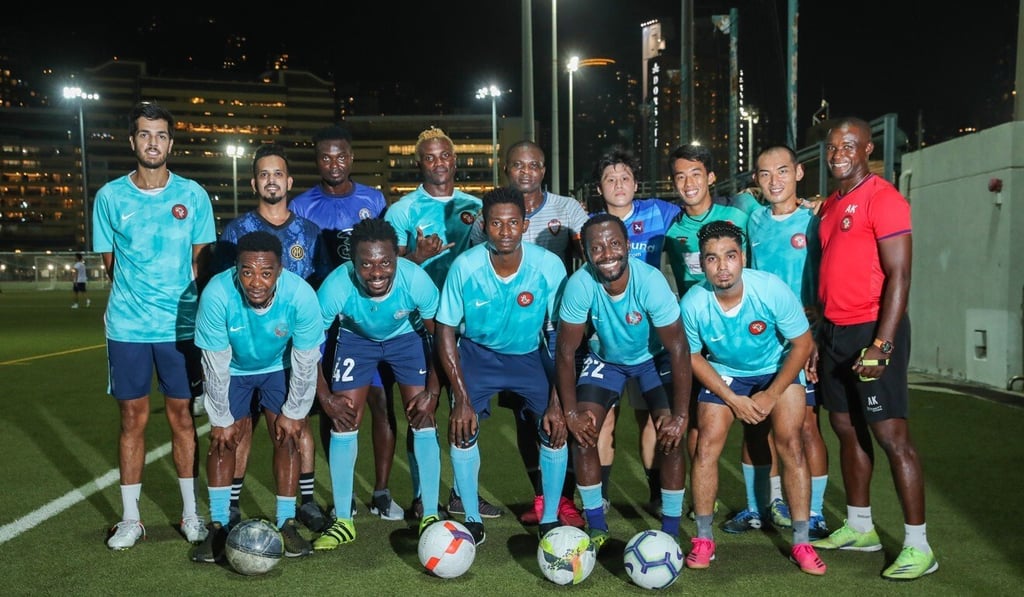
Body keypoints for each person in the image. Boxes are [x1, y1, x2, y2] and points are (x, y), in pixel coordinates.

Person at [809, 117, 937, 581]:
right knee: (845, 429)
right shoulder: (829, 208)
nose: (838, 152)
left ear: (867, 149)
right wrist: (821, 337)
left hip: (872, 330)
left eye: (848, 145)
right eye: (831, 146)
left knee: (891, 438)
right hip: (836, 332)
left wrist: (882, 343)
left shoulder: (885, 199)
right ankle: (860, 526)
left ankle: (919, 546)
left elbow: (900, 275)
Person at [93, 101, 215, 550]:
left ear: (170, 142)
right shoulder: (109, 197)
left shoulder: (193, 195)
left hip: (181, 329)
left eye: (161, 135)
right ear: (133, 141)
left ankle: (190, 514)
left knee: (182, 417)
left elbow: (202, 264)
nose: (153, 142)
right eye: (145, 134)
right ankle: (131, 519)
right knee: (132, 419)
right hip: (127, 328)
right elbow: (111, 264)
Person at [680, 220, 825, 575]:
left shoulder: (770, 289)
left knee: (791, 443)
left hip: (775, 369)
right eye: (712, 259)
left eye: (730, 256)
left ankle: (802, 542)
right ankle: (703, 539)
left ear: (742, 257)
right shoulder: (694, 302)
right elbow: (693, 356)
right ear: (702, 263)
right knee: (705, 446)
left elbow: (803, 344)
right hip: (727, 372)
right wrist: (733, 398)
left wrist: (771, 395)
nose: (722, 266)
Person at [436, 187, 569, 545]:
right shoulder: (465, 267)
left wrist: (558, 401)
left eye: (513, 222)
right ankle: (473, 520)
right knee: (463, 428)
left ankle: (551, 519)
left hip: (528, 355)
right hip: (477, 355)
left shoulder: (548, 266)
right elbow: (446, 331)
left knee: (555, 428)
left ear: (525, 225)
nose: (506, 231)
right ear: (484, 225)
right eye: (497, 223)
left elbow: (560, 338)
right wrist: (461, 398)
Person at [385, 126, 502, 519]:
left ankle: (460, 493)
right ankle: (422, 496)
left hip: (465, 326)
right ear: (420, 162)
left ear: (455, 160)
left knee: (463, 407)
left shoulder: (474, 206)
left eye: (445, 156)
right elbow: (388, 273)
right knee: (422, 410)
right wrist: (416, 257)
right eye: (430, 157)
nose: (439, 163)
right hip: (417, 325)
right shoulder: (402, 210)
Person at [555, 213, 691, 551]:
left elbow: (678, 348)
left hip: (652, 360)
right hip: (607, 361)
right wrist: (570, 413)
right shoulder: (580, 284)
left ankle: (671, 530)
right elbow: (565, 352)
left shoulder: (651, 282)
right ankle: (596, 525)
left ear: (628, 245)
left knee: (670, 434)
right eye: (597, 247)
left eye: (615, 244)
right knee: (584, 431)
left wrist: (681, 416)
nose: (608, 253)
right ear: (585, 252)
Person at [470, 140, 587, 528]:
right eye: (518, 165)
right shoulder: (488, 217)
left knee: (562, 412)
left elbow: (589, 255)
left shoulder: (567, 209)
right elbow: (477, 270)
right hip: (514, 334)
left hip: (558, 329)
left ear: (544, 170)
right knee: (525, 417)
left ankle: (568, 500)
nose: (526, 172)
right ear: (507, 169)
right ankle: (541, 496)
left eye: (534, 165)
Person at [289, 125, 403, 522]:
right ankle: (344, 494)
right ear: (316, 160)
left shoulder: (373, 199)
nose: (333, 164)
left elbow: (387, 254)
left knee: (382, 403)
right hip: (327, 316)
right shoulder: (302, 205)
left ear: (351, 158)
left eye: (340, 156)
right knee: (337, 407)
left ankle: (383, 492)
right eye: (325, 157)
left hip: (371, 314)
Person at [215, 144, 329, 532]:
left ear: (289, 181)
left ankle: (306, 501)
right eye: (264, 175)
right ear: (254, 183)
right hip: (244, 345)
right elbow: (223, 285)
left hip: (292, 346)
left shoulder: (309, 231)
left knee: (297, 424)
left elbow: (319, 289)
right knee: (241, 424)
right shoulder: (236, 231)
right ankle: (229, 504)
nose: (271, 181)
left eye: (277, 174)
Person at [313, 217, 444, 549]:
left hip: (406, 339)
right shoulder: (335, 287)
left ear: (397, 258)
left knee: (423, 416)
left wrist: (433, 390)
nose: (376, 272)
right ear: (352, 263)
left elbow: (441, 339)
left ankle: (429, 513)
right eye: (366, 264)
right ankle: (343, 519)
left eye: (385, 262)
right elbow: (306, 347)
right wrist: (325, 396)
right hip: (357, 339)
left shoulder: (417, 281)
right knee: (343, 419)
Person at [190, 231, 320, 562]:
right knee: (222, 440)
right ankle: (218, 525)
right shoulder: (217, 293)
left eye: (265, 272)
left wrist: (294, 412)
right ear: (236, 269)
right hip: (232, 367)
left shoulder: (301, 295)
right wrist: (219, 418)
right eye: (247, 272)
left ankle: (286, 522)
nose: (256, 282)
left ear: (280, 270)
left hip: (278, 365)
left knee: (288, 435)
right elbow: (214, 364)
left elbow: (306, 361)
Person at [742, 144, 829, 540]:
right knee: (759, 426)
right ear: (756, 181)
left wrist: (818, 322)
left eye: (781, 171)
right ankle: (769, 503)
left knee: (806, 425)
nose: (773, 180)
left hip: (802, 340)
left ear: (798, 173)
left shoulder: (815, 218)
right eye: (764, 173)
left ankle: (814, 511)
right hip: (761, 340)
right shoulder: (754, 221)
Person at [590, 146, 681, 518]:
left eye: (625, 177)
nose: (618, 184)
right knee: (605, 419)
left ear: (636, 183)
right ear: (600, 187)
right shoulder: (592, 224)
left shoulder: (660, 212)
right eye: (610, 179)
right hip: (607, 339)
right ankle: (602, 493)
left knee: (649, 418)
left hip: (651, 340)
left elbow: (699, 213)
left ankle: (656, 492)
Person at [663, 143, 750, 520]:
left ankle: (764, 503)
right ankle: (704, 498)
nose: (688, 183)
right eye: (680, 176)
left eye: (696, 174)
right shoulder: (673, 228)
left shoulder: (738, 216)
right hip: (698, 338)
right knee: (697, 420)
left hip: (746, 333)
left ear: (711, 177)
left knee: (760, 424)